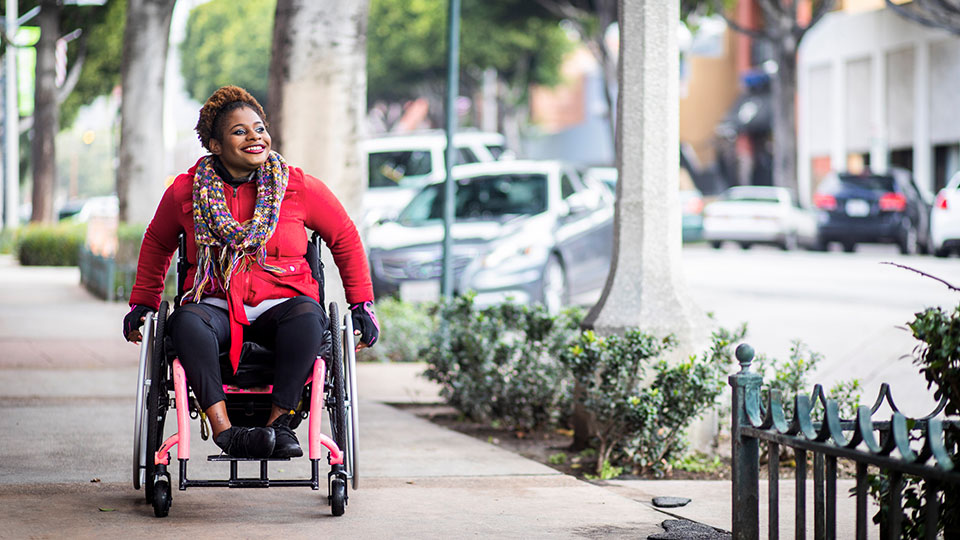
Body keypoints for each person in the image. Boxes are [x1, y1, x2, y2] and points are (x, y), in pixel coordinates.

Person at [123, 86, 379, 460]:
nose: (255, 137)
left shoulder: (297, 186)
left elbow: (344, 237)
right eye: (239, 131)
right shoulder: (185, 192)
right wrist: (143, 304)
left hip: (285, 305)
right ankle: (228, 433)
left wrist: (362, 305)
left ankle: (279, 425)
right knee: (186, 324)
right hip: (216, 305)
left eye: (259, 128)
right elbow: (157, 244)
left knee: (311, 319)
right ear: (215, 145)